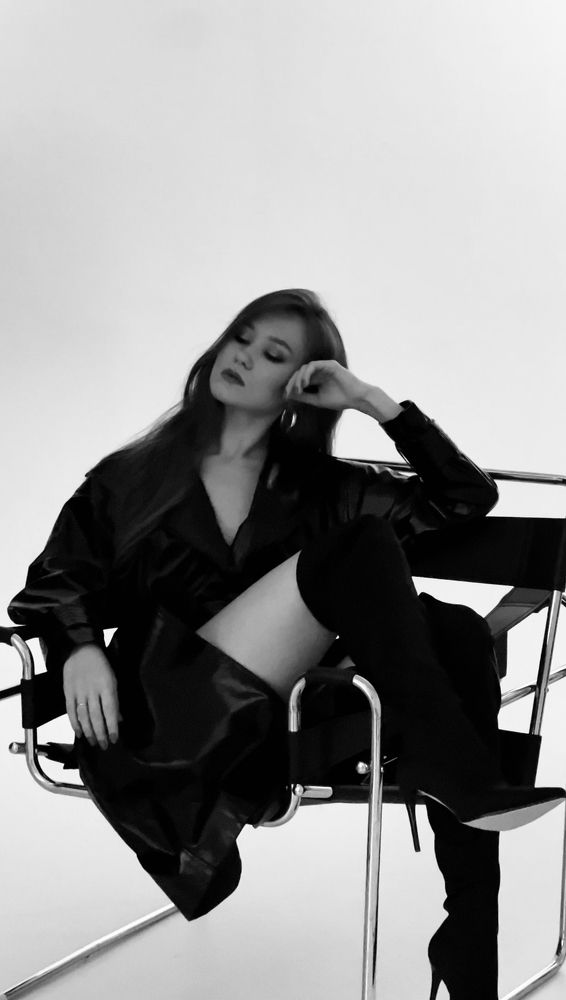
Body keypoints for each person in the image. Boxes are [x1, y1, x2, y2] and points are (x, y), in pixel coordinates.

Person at [8, 288, 564, 999]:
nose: (243, 356)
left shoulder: (319, 487)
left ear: (300, 384)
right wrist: (80, 647)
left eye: (274, 354)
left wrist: (372, 402)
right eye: (242, 337)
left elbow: (463, 501)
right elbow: (56, 579)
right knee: (362, 547)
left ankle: (469, 937)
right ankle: (453, 769)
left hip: (276, 723)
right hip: (166, 714)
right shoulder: (134, 475)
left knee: (455, 629)